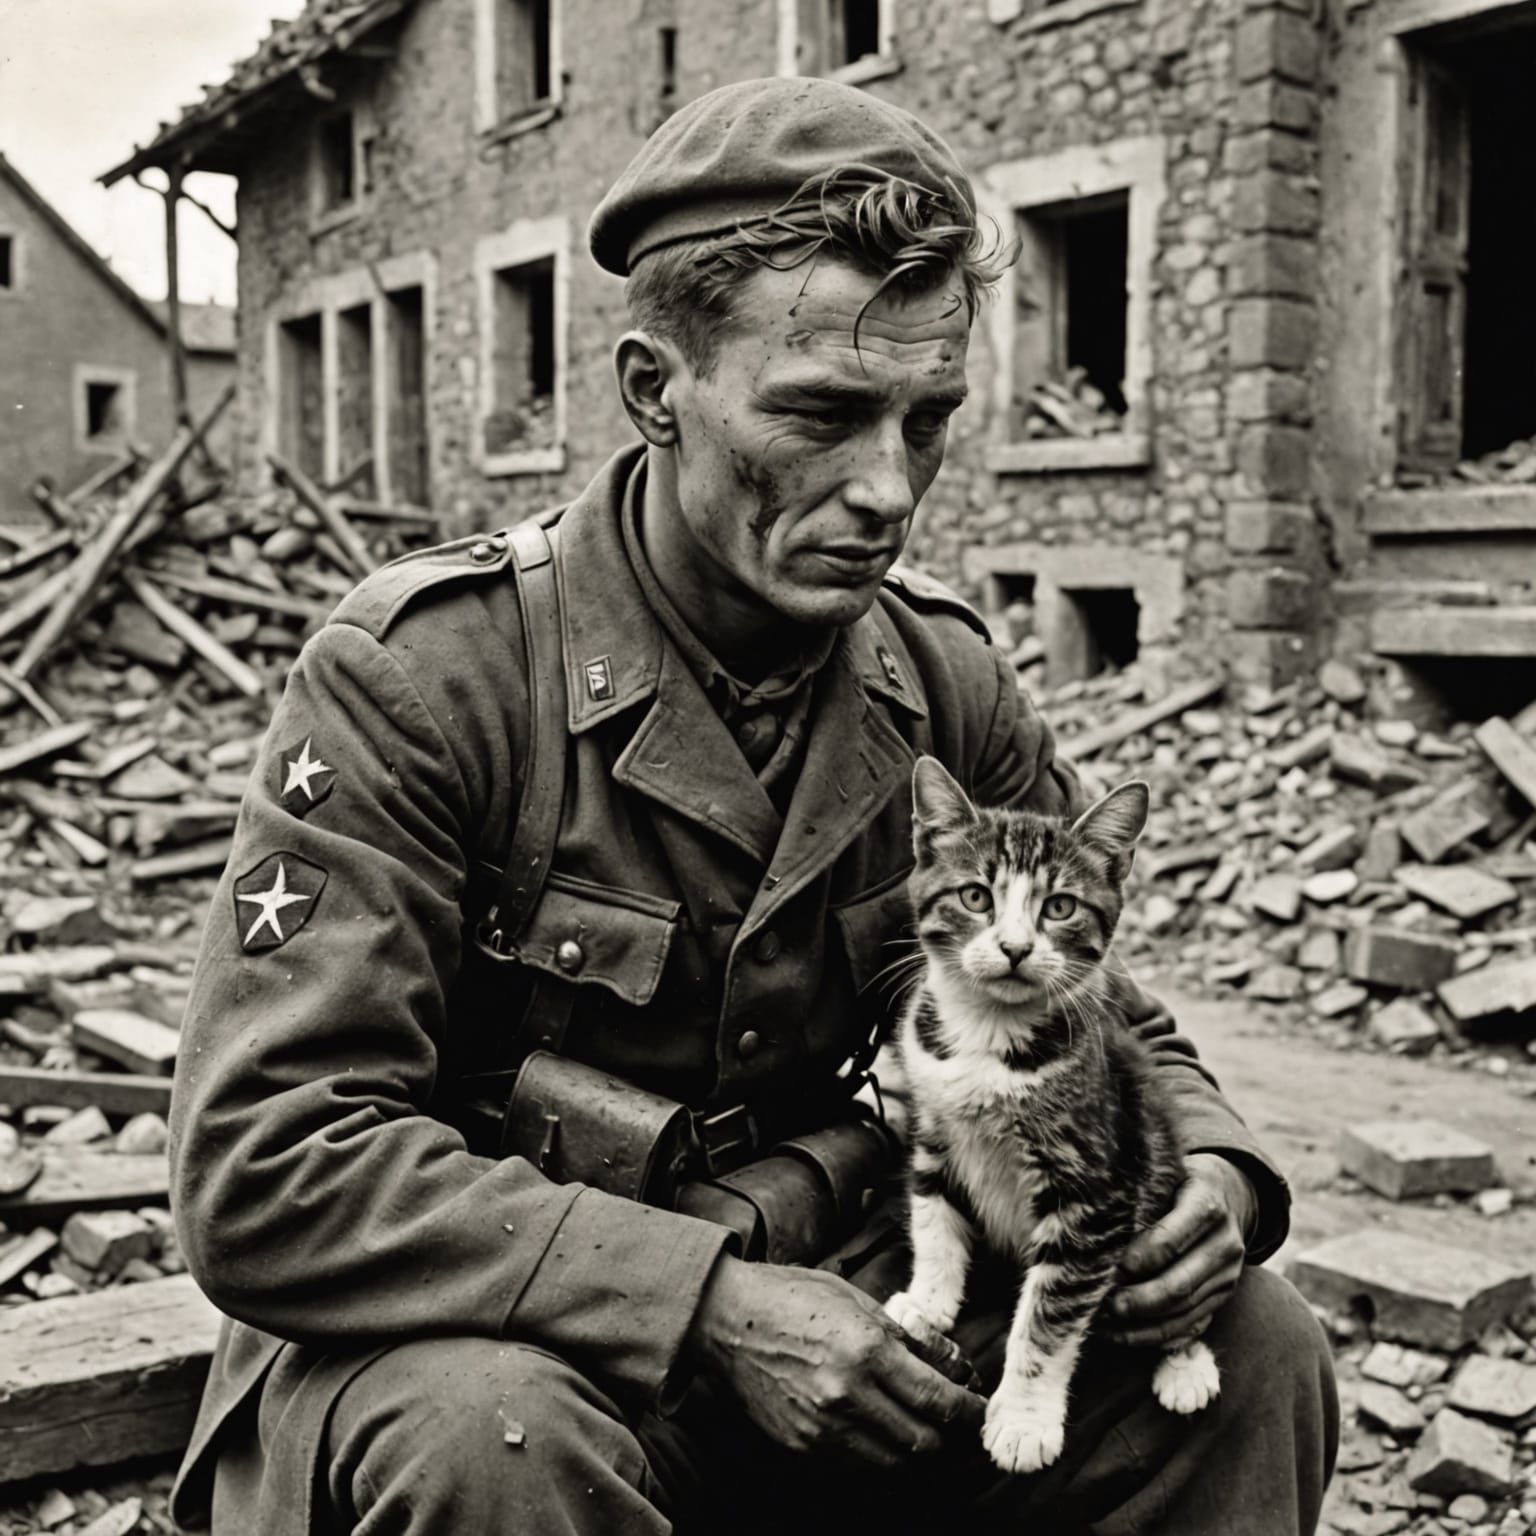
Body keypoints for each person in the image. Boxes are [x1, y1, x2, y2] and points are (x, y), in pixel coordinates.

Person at [167, 75, 1337, 1536]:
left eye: (929, 420)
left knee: (1256, 1347)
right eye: (825, 416)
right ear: (656, 390)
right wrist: (703, 1300)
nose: (888, 487)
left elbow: (1102, 1017)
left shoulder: (939, 684)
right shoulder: (429, 680)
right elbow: (268, 1163)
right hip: (483, 1329)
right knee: (493, 1441)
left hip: (815, 1277)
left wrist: (1219, 1178)